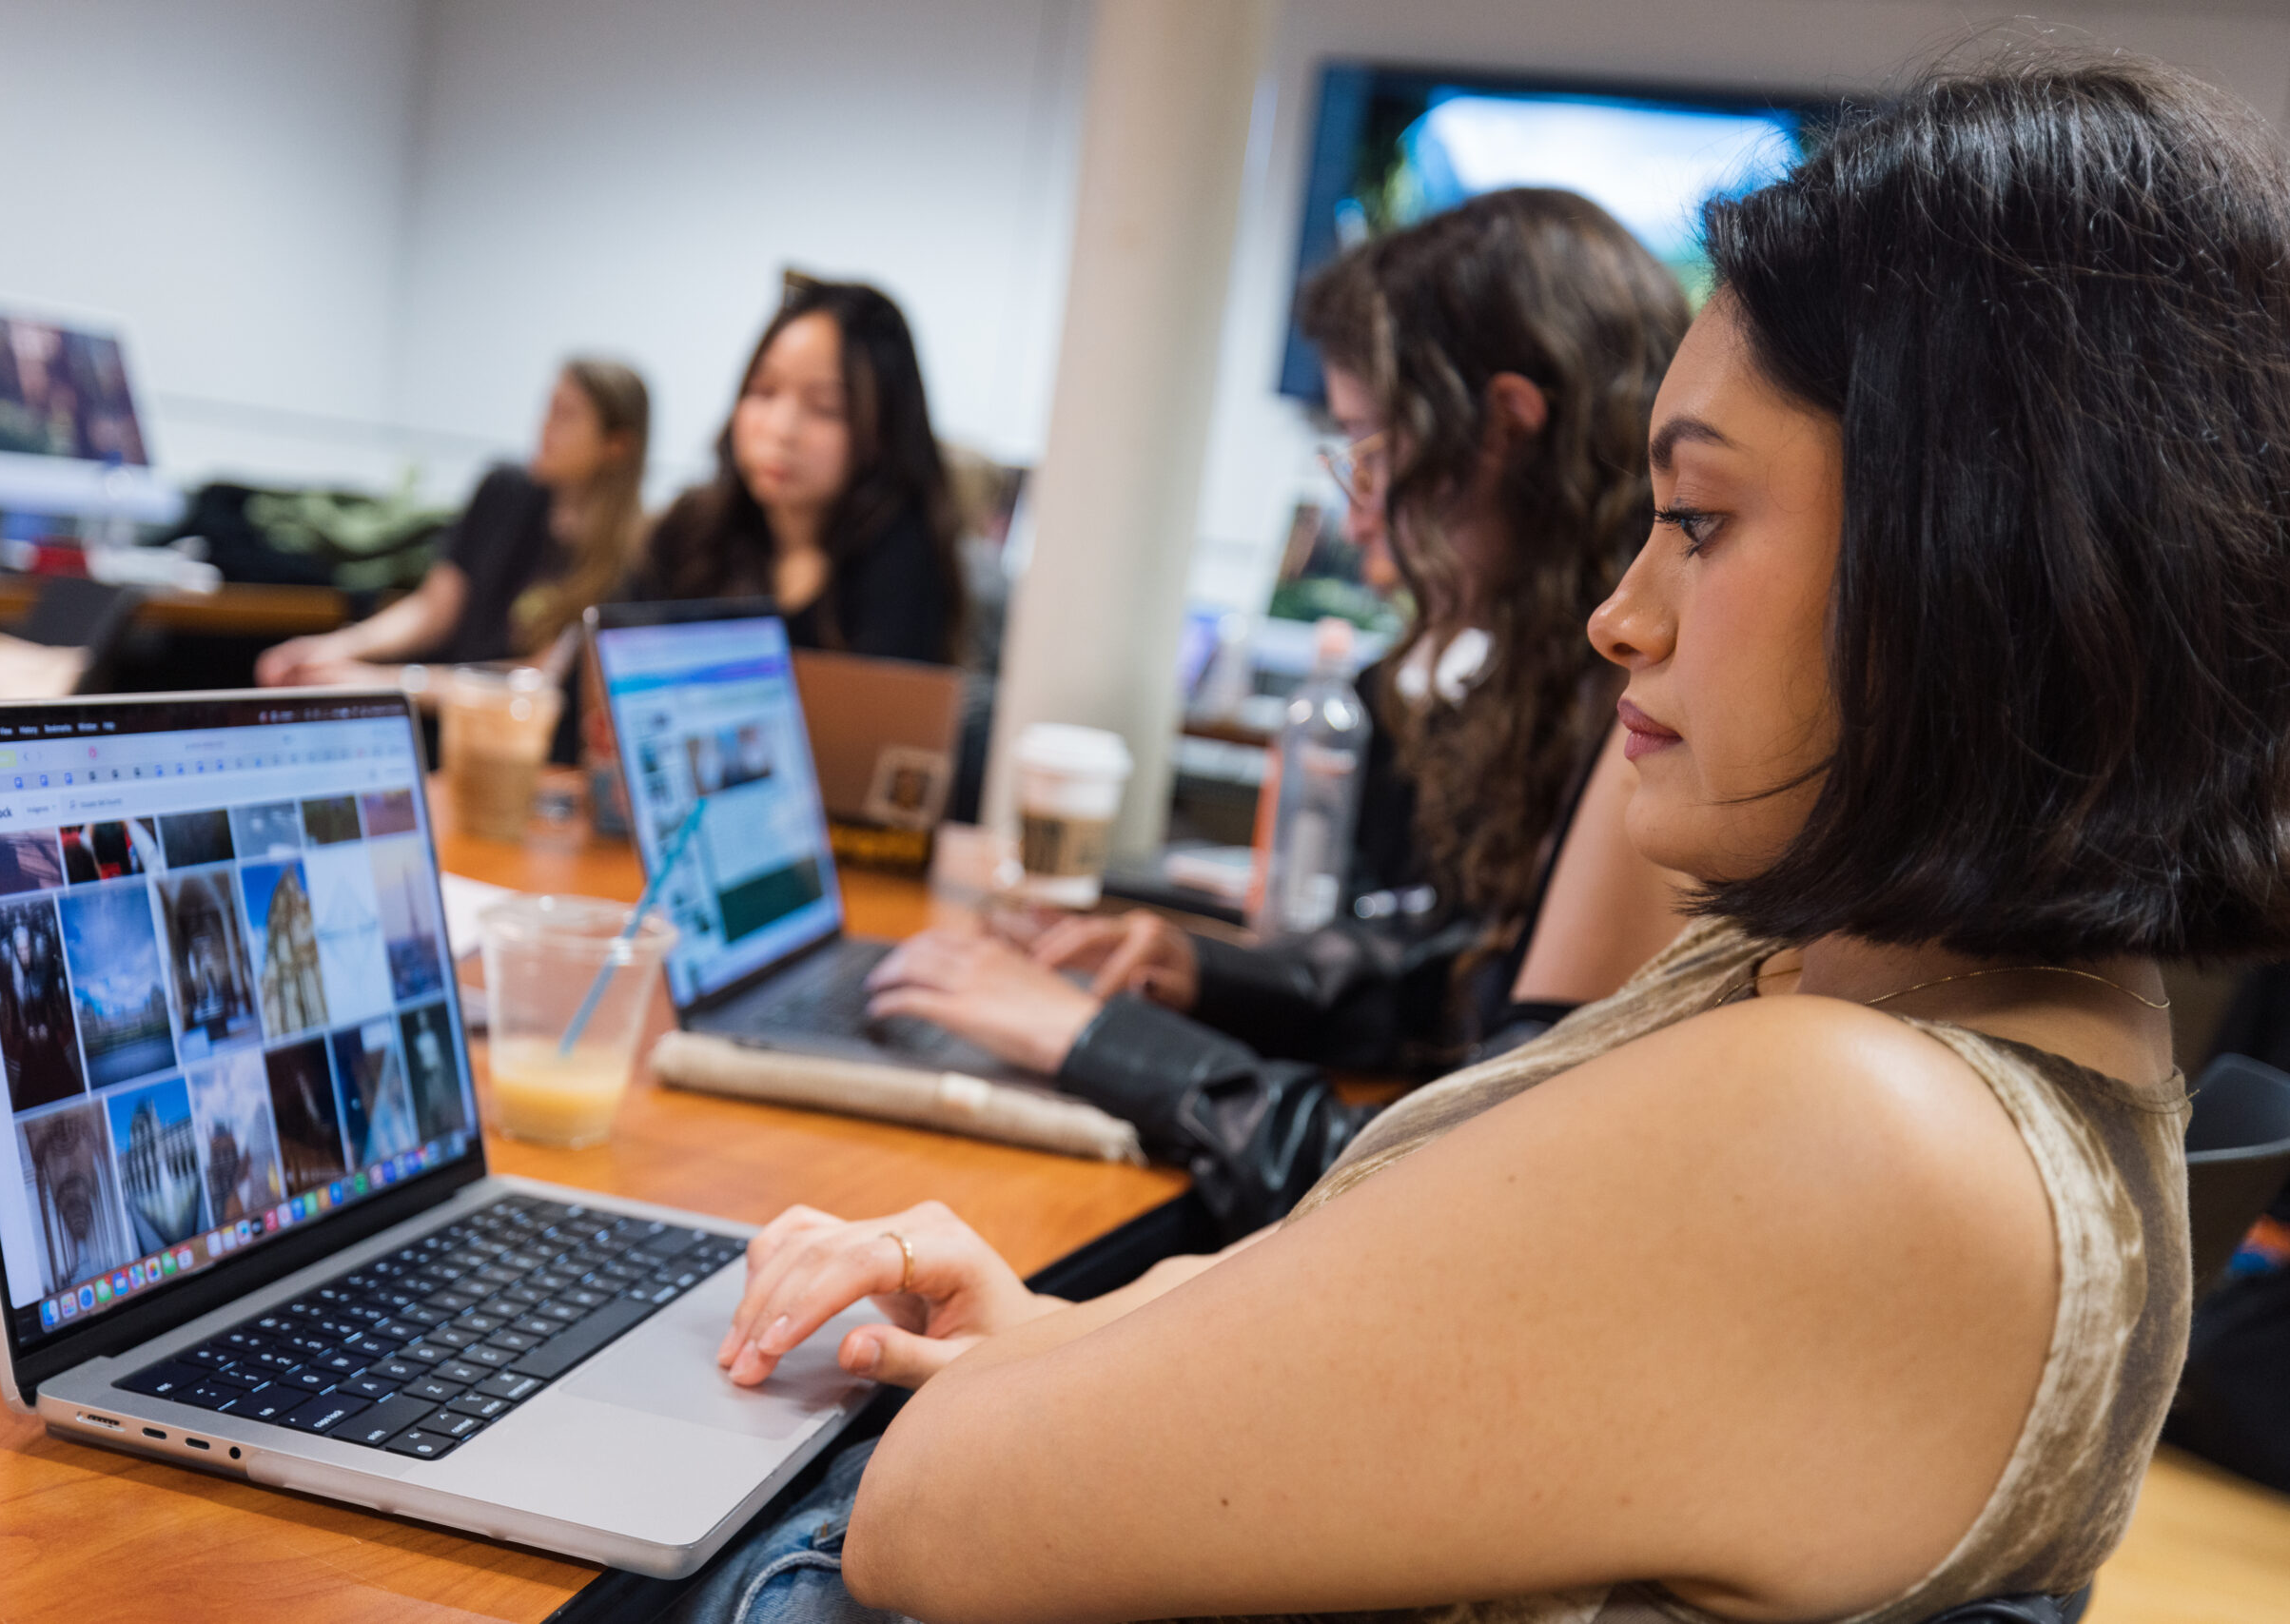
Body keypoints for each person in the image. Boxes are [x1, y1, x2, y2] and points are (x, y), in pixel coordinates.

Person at [683, 54, 2290, 1623]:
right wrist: (1066, 1344)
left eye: (1702, 523)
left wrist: (1045, 1383)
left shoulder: (1842, 1121)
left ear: (1976, 571)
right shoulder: (1993, 1014)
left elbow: (924, 1525)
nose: (1621, 612)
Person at [860, 191, 1692, 1230]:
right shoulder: (1552, 684)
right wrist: (1204, 973)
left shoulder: (1651, 717)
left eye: (1371, 455)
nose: (1353, 511)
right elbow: (1462, 969)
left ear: (1506, 431)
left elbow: (1460, 1182)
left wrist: (1090, 1041)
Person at [254, 358, 651, 696]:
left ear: (616, 444)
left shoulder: (630, 557)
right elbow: (434, 607)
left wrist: (383, 682)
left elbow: (534, 682)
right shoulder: (505, 490)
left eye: (566, 415)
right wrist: (337, 648)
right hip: (443, 712)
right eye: (547, 408)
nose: (545, 427)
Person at [631, 274, 963, 664]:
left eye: (826, 408)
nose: (780, 429)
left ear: (885, 429)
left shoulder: (905, 563)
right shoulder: (691, 529)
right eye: (763, 391)